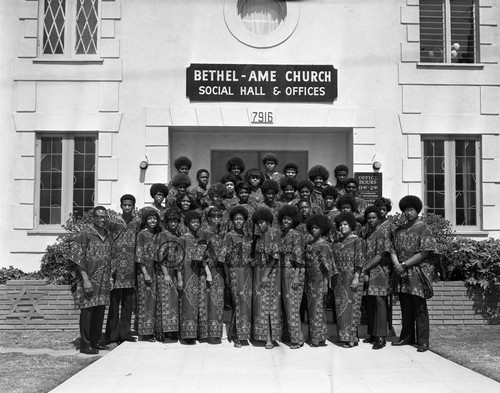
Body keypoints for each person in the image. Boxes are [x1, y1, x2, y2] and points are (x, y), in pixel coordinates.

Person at [391, 195, 437, 353]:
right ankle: (406, 336)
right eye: (406, 210)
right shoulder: (399, 230)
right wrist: (397, 264)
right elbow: (392, 249)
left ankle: (423, 341)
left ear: (417, 211)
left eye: (411, 210)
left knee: (419, 307)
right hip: (402, 274)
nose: (408, 213)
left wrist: (404, 264)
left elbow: (424, 252)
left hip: (417, 273)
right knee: (405, 305)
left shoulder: (424, 228)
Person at [68, 206, 113, 354]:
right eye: (98, 217)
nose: (101, 219)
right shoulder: (84, 234)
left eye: (104, 217)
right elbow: (78, 258)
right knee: (87, 311)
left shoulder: (107, 234)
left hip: (104, 279)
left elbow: (111, 257)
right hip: (89, 279)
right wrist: (85, 280)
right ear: (93, 217)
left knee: (100, 311)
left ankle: (95, 341)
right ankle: (85, 344)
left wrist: (111, 277)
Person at [104, 195, 141, 345]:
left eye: (130, 205)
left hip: (131, 267)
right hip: (116, 266)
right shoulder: (113, 222)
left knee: (128, 303)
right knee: (114, 303)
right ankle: (111, 335)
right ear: (121, 206)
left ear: (133, 206)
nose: (127, 208)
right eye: (125, 205)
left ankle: (125, 334)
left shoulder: (137, 222)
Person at [219, 206, 253, 348]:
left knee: (246, 303)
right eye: (236, 219)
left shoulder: (247, 236)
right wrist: (227, 276)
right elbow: (223, 258)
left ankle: (238, 332)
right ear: (232, 221)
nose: (239, 221)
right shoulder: (229, 236)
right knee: (238, 302)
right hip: (234, 272)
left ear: (245, 221)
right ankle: (238, 337)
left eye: (241, 219)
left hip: (247, 273)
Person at [332, 212, 365, 348]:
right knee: (341, 309)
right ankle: (343, 336)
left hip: (352, 278)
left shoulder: (357, 241)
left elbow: (359, 260)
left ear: (351, 225)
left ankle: (352, 338)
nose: (342, 227)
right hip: (339, 280)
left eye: (345, 224)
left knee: (352, 308)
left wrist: (356, 278)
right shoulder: (337, 242)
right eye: (340, 225)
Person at [361, 206, 392, 350]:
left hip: (379, 272)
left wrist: (366, 267)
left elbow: (381, 254)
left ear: (378, 218)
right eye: (369, 218)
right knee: (370, 303)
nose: (371, 220)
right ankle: (373, 334)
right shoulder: (367, 234)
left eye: (374, 217)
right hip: (368, 272)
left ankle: (381, 337)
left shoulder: (382, 233)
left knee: (380, 303)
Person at [304, 214, 336, 347]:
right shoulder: (310, 244)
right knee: (312, 309)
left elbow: (327, 267)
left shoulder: (325, 245)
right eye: (312, 228)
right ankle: (315, 336)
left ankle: (317, 338)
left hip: (319, 281)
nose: (313, 230)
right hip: (310, 281)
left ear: (322, 229)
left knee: (318, 309)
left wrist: (325, 285)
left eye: (316, 228)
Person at [251, 207, 281, 349]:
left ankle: (269, 338)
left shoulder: (272, 233)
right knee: (260, 303)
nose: (260, 225)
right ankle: (261, 335)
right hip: (258, 271)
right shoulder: (260, 236)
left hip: (269, 273)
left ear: (268, 221)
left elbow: (274, 257)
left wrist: (265, 275)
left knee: (269, 305)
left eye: (262, 222)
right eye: (258, 223)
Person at [179, 210, 210, 344]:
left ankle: (200, 333)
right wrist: (179, 278)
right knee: (188, 303)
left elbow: (204, 259)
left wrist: (208, 273)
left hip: (200, 274)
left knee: (200, 302)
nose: (195, 224)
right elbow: (178, 260)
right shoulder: (183, 239)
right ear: (187, 223)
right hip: (187, 273)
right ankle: (188, 335)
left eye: (197, 222)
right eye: (193, 222)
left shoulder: (201, 239)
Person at [278, 205, 305, 349]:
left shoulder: (296, 234)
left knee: (293, 307)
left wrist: (296, 276)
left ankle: (298, 339)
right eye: (284, 219)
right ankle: (288, 335)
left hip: (293, 274)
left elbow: (299, 257)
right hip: (282, 274)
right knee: (285, 306)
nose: (286, 221)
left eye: (288, 219)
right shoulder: (282, 235)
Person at [155, 209, 184, 342]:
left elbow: (179, 259)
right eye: (171, 221)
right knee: (164, 301)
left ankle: (172, 330)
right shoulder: (163, 235)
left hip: (174, 272)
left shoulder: (177, 236)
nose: (173, 223)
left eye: (175, 221)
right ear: (166, 222)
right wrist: (166, 274)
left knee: (174, 302)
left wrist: (179, 278)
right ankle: (162, 332)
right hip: (164, 272)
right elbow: (160, 257)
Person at [135, 209, 162, 342]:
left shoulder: (158, 234)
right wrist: (145, 273)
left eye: (154, 219)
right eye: (150, 218)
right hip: (145, 271)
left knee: (157, 301)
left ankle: (156, 330)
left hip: (157, 271)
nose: (152, 221)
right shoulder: (142, 235)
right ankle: (146, 332)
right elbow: (138, 256)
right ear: (146, 220)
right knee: (146, 302)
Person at [203, 207, 226, 344]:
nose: (216, 218)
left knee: (219, 301)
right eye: (213, 216)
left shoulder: (221, 233)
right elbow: (201, 254)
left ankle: (217, 333)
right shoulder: (205, 233)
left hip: (220, 270)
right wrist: (207, 273)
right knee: (210, 301)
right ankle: (210, 334)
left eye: (218, 216)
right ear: (209, 218)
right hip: (210, 270)